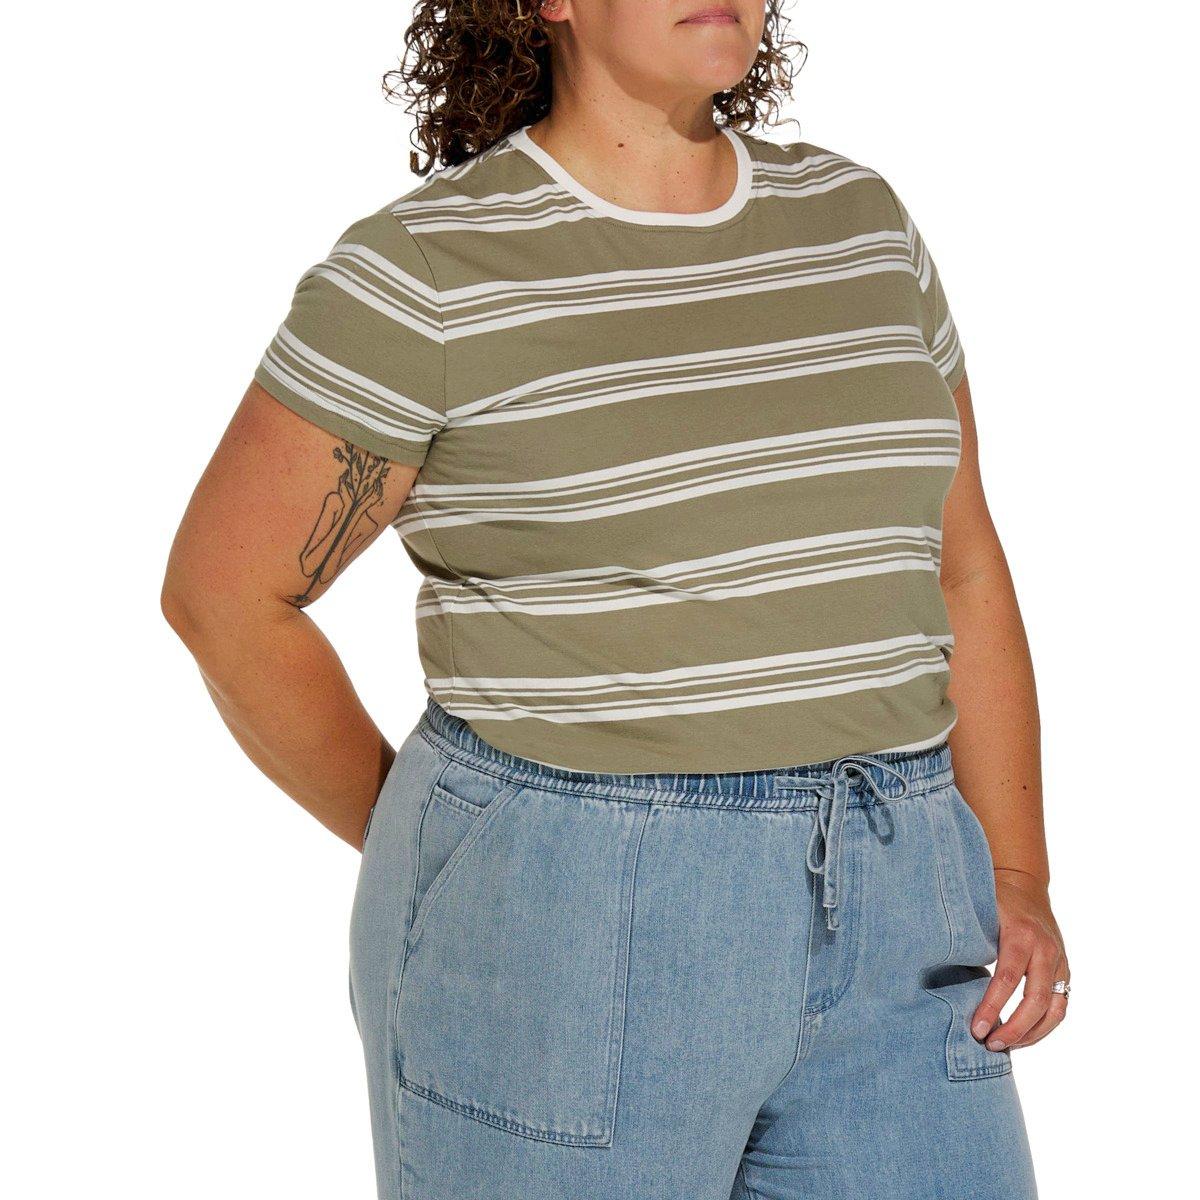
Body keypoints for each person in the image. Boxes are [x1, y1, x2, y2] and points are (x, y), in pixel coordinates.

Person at [161, 2, 1067, 1196]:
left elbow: (961, 563)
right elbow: (225, 596)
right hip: (570, 922)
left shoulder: (861, 227)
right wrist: (447, 844)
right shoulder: (428, 273)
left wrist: (1017, 875)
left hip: (904, 909)